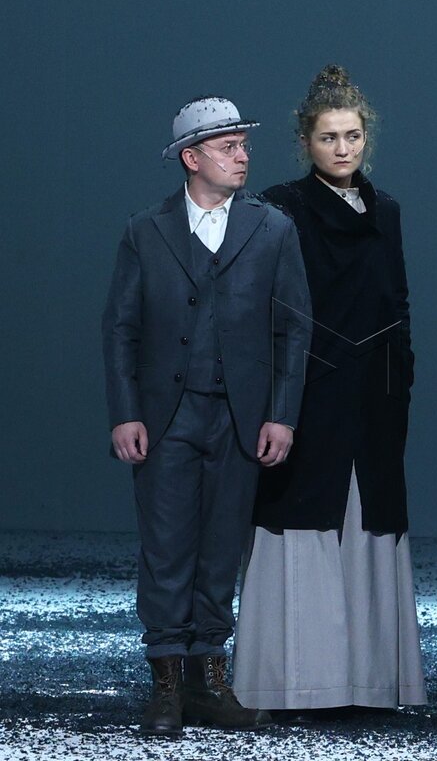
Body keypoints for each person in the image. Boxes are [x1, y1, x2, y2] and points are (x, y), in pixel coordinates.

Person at [101, 97, 310, 736]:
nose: (242, 157)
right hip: (166, 416)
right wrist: (125, 413)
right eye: (228, 147)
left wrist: (282, 415)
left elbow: (293, 329)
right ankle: (167, 682)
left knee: (221, 549)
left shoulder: (272, 229)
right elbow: (121, 328)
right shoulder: (147, 229)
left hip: (239, 417)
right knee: (166, 548)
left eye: (243, 145)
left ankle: (209, 679)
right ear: (191, 159)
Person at [233, 65, 426, 713]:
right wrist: (278, 397)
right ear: (305, 143)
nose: (343, 149)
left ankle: (366, 682)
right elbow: (265, 305)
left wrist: (400, 378)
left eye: (352, 136)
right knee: (300, 521)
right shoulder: (280, 207)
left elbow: (396, 302)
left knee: (368, 522)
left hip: (374, 399)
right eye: (328, 137)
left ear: (366, 136)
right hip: (306, 396)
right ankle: (293, 682)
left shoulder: (385, 210)